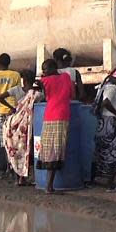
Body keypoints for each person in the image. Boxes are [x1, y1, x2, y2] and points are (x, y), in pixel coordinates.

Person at [36, 59, 74, 194]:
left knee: (48, 150)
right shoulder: (66, 77)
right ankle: (49, 186)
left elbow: (42, 95)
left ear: (52, 68)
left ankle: (48, 186)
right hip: (63, 116)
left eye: (45, 69)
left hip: (50, 116)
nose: (43, 72)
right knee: (57, 150)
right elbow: (72, 95)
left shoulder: (45, 81)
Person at [92, 63, 116, 191]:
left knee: (100, 151)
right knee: (114, 152)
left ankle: (93, 179)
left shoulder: (103, 86)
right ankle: (110, 184)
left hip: (103, 123)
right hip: (112, 123)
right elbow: (106, 102)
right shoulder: (112, 88)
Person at [1, 70, 43, 186]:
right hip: (27, 127)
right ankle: (23, 179)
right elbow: (44, 99)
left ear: (23, 80)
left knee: (15, 152)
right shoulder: (36, 94)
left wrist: (13, 108)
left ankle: (17, 178)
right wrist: (41, 86)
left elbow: (0, 97)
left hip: (14, 126)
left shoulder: (16, 89)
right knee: (26, 152)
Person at [0, 53, 21, 154]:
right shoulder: (16, 75)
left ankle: (6, 166)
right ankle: (13, 165)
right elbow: (18, 93)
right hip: (13, 110)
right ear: (9, 63)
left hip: (1, 111)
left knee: (3, 140)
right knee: (14, 139)